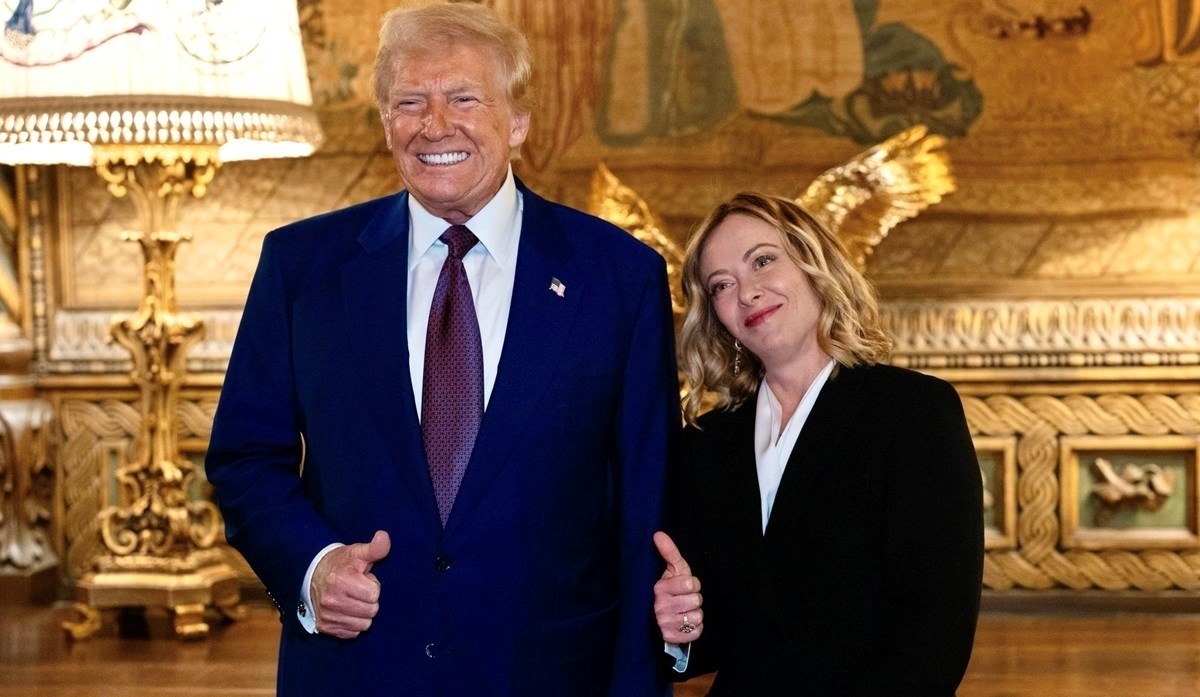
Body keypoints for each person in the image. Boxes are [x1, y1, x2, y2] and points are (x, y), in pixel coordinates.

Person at [205, 4, 679, 695]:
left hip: (549, 673)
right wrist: (312, 566)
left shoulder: (619, 276)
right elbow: (245, 456)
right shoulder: (302, 266)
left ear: (518, 121)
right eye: (409, 103)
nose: (434, 125)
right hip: (356, 671)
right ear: (385, 123)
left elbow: (646, 502)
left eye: (463, 98)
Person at [652, 192, 982, 695]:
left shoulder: (913, 411)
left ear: (814, 263)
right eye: (722, 284)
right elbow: (718, 638)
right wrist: (681, 627)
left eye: (763, 261)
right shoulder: (706, 443)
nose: (747, 293)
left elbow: (936, 633)